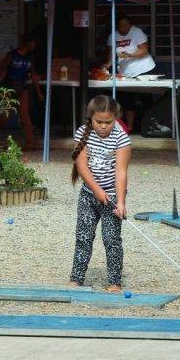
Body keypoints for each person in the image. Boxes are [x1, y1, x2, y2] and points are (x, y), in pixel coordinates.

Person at [69, 95, 131, 292]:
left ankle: (114, 282)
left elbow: (121, 172)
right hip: (89, 195)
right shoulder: (83, 133)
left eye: (108, 122)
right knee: (83, 237)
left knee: (111, 239)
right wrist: (96, 191)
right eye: (99, 122)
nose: (103, 126)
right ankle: (76, 278)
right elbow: (82, 167)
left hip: (112, 197)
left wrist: (120, 202)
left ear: (116, 118)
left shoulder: (121, 137)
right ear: (91, 118)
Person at [103, 15, 156, 132]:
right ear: (117, 26)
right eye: (121, 25)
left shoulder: (137, 32)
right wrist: (108, 64)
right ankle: (129, 127)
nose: (124, 27)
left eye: (126, 24)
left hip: (144, 68)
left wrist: (130, 55)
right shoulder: (113, 36)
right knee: (128, 99)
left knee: (146, 98)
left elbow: (144, 49)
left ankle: (150, 127)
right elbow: (111, 55)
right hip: (126, 72)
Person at [0, 33, 45, 151]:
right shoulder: (11, 55)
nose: (35, 45)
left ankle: (30, 143)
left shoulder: (30, 57)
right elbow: (1, 70)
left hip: (22, 88)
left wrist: (39, 92)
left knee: (25, 116)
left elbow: (32, 74)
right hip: (8, 88)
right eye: (33, 42)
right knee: (5, 117)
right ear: (28, 42)